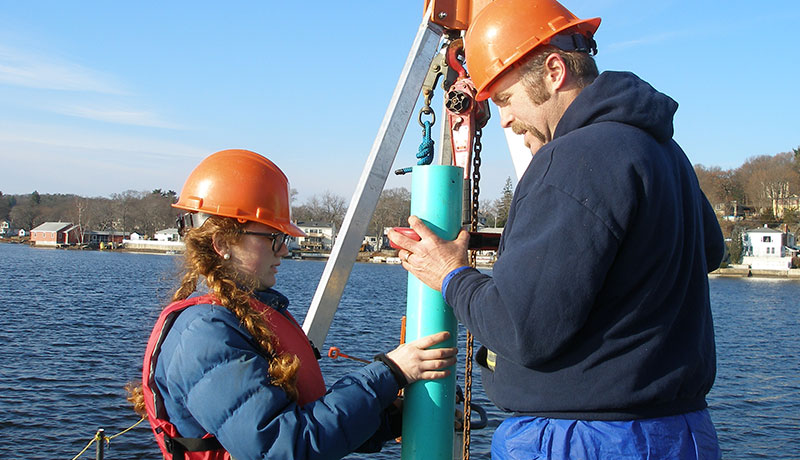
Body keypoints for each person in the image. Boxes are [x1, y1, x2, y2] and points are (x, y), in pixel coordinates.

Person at [388, 0, 725, 458]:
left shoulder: (574, 159)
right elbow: (710, 251)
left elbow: (518, 329)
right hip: (679, 431)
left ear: (552, 71)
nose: (503, 119)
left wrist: (450, 274)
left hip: (586, 438)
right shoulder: (664, 151)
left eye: (505, 99)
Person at [127, 149, 456, 460]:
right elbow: (283, 446)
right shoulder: (204, 335)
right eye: (274, 238)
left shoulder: (239, 316)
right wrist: (388, 373)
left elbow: (309, 424)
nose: (284, 250)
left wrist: (394, 417)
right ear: (223, 243)